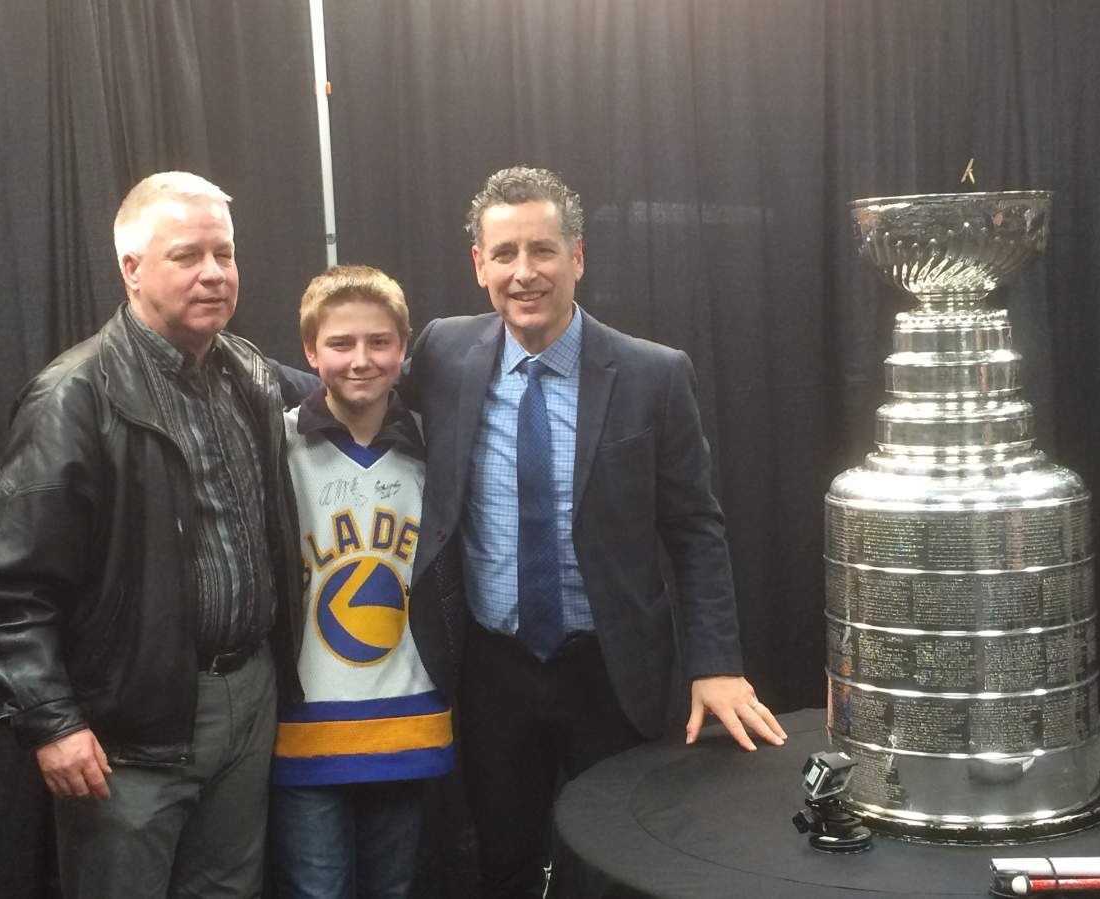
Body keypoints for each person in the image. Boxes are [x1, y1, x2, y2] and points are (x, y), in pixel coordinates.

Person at [403, 165, 788, 898]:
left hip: (615, 674)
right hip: (491, 673)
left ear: (578, 257)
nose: (525, 272)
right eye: (506, 253)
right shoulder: (444, 353)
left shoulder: (653, 374)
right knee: (500, 860)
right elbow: (356, 388)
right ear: (478, 265)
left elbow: (695, 529)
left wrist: (717, 661)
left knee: (622, 869)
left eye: (543, 250)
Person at [0, 171, 305, 898]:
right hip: (129, 724)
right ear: (131, 268)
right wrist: (50, 722)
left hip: (249, 696)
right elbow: (10, 586)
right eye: (188, 256)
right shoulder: (73, 397)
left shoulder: (248, 372)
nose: (215, 273)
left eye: (224, 254)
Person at [270, 265, 463, 899]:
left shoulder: (438, 446)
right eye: (341, 344)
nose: (361, 360)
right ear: (309, 350)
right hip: (305, 727)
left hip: (408, 720)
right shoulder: (274, 444)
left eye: (379, 342)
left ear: (404, 349)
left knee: (397, 889)